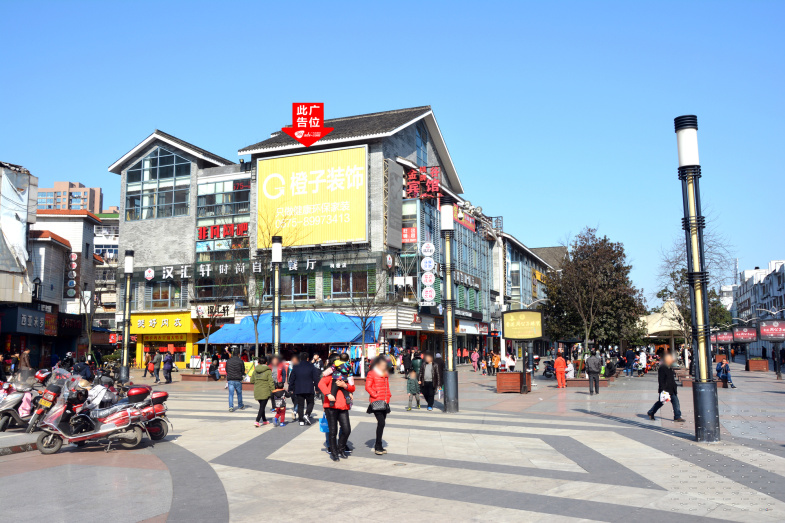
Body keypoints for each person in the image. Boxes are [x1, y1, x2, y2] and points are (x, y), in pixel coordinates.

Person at [318, 355, 355, 461]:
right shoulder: (330, 375)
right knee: (333, 431)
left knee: (346, 429)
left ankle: (341, 448)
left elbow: (352, 387)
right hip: (331, 406)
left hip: (343, 406)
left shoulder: (346, 375)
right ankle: (334, 452)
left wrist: (345, 386)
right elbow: (321, 384)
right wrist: (328, 394)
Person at [648, 351, 685, 422]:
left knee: (676, 402)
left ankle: (677, 416)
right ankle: (651, 412)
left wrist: (674, 385)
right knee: (660, 402)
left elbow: (671, 379)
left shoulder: (669, 367)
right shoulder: (662, 368)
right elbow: (661, 379)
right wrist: (663, 389)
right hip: (665, 389)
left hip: (672, 389)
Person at [365, 356, 392, 455]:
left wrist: (388, 396)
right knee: (381, 423)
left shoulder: (385, 374)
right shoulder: (371, 373)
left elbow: (387, 387)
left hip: (384, 401)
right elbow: (367, 386)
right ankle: (377, 446)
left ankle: (379, 445)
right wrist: (375, 394)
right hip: (376, 401)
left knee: (382, 424)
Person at [289, 351, 320, 425]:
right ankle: (307, 414)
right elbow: (316, 378)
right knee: (311, 403)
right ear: (308, 358)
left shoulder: (296, 367)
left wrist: (290, 388)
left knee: (300, 405)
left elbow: (292, 378)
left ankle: (301, 421)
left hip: (299, 388)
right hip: (309, 388)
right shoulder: (311, 366)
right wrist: (317, 388)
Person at [252, 356, 274, 426]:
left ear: (258, 363)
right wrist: (273, 390)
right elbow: (271, 382)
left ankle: (264, 420)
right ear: (266, 362)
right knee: (262, 407)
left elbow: (251, 380)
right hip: (265, 391)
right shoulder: (268, 371)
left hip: (257, 391)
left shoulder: (255, 370)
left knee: (262, 406)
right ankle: (257, 420)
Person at [225, 348, 246, 412]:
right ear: (238, 354)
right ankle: (240, 405)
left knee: (231, 394)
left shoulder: (228, 361)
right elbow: (243, 370)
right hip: (238, 379)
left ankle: (231, 407)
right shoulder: (240, 361)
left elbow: (226, 369)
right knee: (239, 393)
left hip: (230, 379)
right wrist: (242, 374)